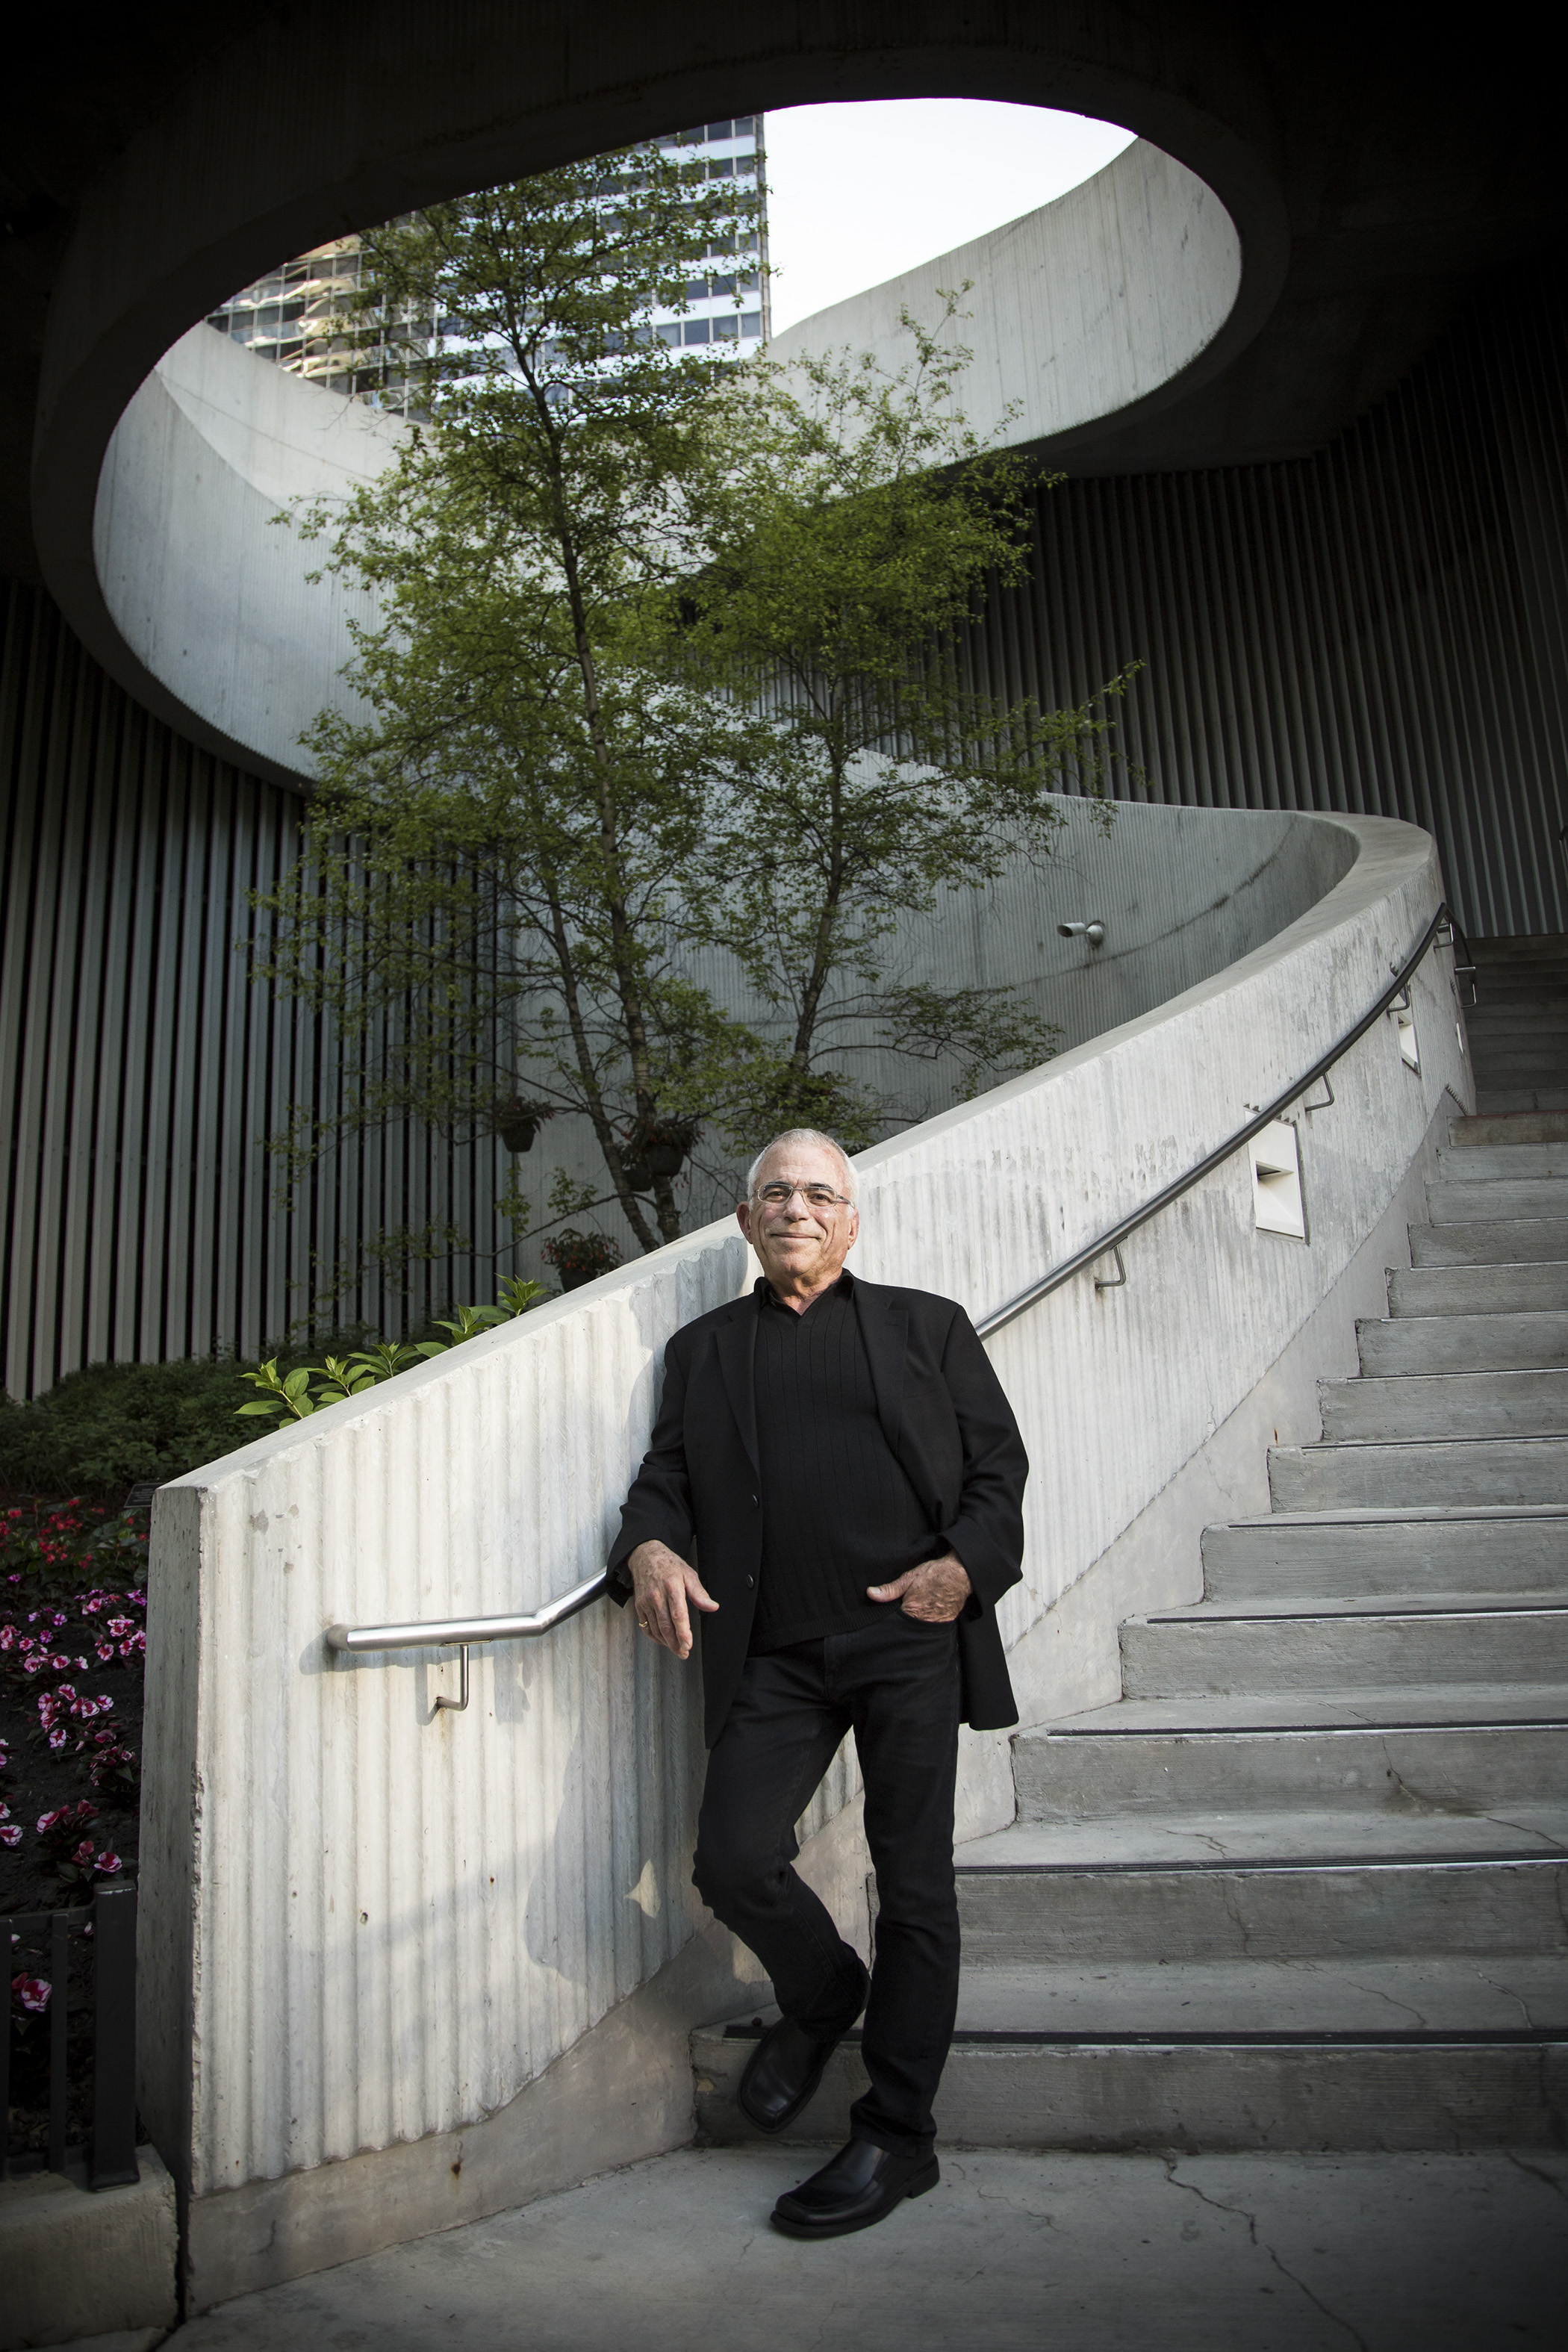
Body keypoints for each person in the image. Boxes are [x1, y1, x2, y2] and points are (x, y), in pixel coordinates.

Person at [607, 1127, 1029, 2239]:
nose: (797, 1206)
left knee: (916, 1883)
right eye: (776, 1192)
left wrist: (963, 1568)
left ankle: (899, 2131)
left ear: (852, 1218)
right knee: (734, 1857)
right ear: (746, 1222)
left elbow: (999, 1469)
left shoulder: (924, 1326)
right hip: (780, 1656)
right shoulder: (704, 1350)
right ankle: (822, 1992)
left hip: (908, 1641)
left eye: (819, 1192)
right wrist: (648, 1550)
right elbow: (665, 1481)